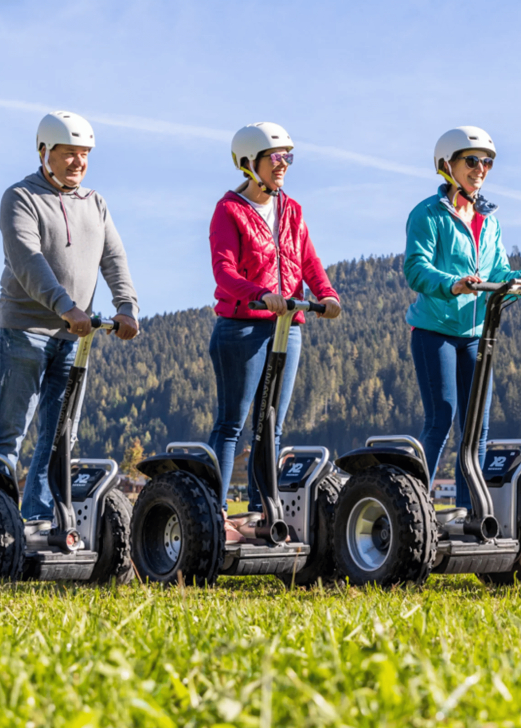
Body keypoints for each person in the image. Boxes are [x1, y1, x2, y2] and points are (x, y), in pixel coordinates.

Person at [0, 111, 140, 523]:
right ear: (44, 152)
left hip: (75, 338)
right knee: (10, 435)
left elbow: (114, 257)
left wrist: (126, 304)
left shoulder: (95, 203)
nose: (78, 162)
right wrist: (65, 307)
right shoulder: (20, 197)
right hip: (24, 331)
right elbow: (27, 260)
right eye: (69, 153)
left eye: (84, 154)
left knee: (59, 435)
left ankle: (38, 518)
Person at [405, 126, 521, 511]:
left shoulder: (489, 219)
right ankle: (414, 507)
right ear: (446, 165)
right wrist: (452, 284)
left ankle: (471, 513)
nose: (481, 169)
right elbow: (415, 269)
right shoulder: (428, 214)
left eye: (486, 162)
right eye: (471, 161)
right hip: (433, 330)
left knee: (477, 425)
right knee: (443, 417)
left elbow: (498, 271)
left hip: (475, 333)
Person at [208, 122, 341, 541]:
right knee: (232, 423)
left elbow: (308, 261)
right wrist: (260, 294)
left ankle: (263, 512)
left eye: (288, 157)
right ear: (250, 163)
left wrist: (327, 293)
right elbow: (224, 272)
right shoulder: (229, 210)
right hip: (242, 328)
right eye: (276, 157)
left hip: (288, 327)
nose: (283, 165)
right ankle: (214, 511)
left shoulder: (292, 210)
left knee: (272, 426)